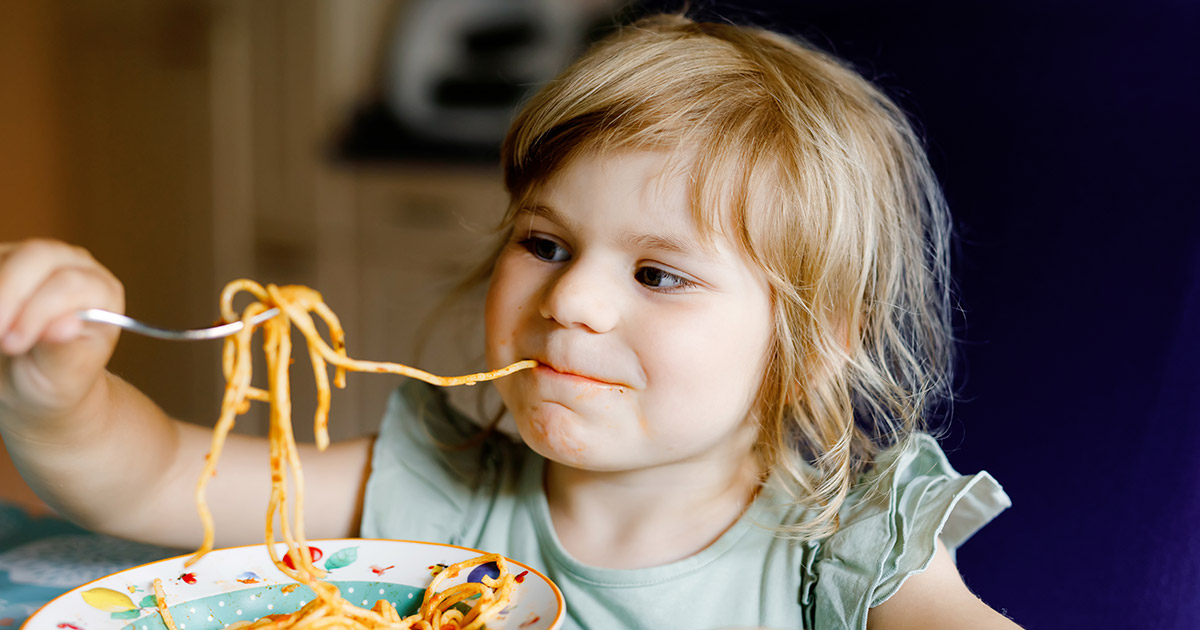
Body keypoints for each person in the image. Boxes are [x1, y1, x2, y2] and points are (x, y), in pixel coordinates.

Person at [0, 13, 1018, 630]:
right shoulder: (447, 489)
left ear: (817, 337)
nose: (572, 300)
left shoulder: (849, 542)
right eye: (546, 244)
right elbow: (155, 483)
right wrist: (57, 397)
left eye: (659, 274)